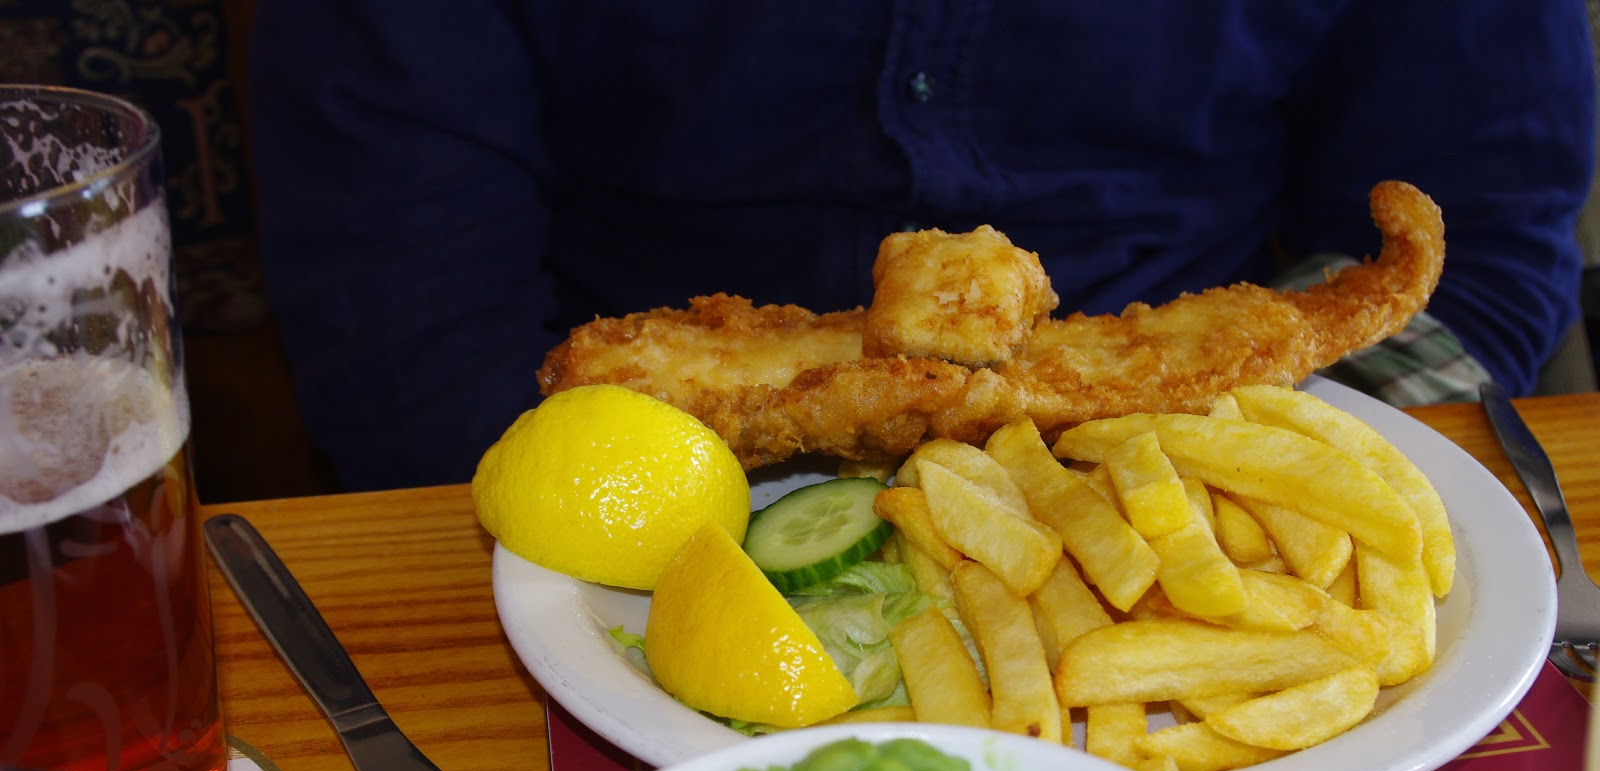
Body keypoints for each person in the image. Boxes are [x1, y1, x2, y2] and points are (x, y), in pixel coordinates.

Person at [249, 0, 1598, 492]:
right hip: (629, 474)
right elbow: (399, 305)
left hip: (1195, 453)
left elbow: (1471, 221)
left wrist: (1235, 502)